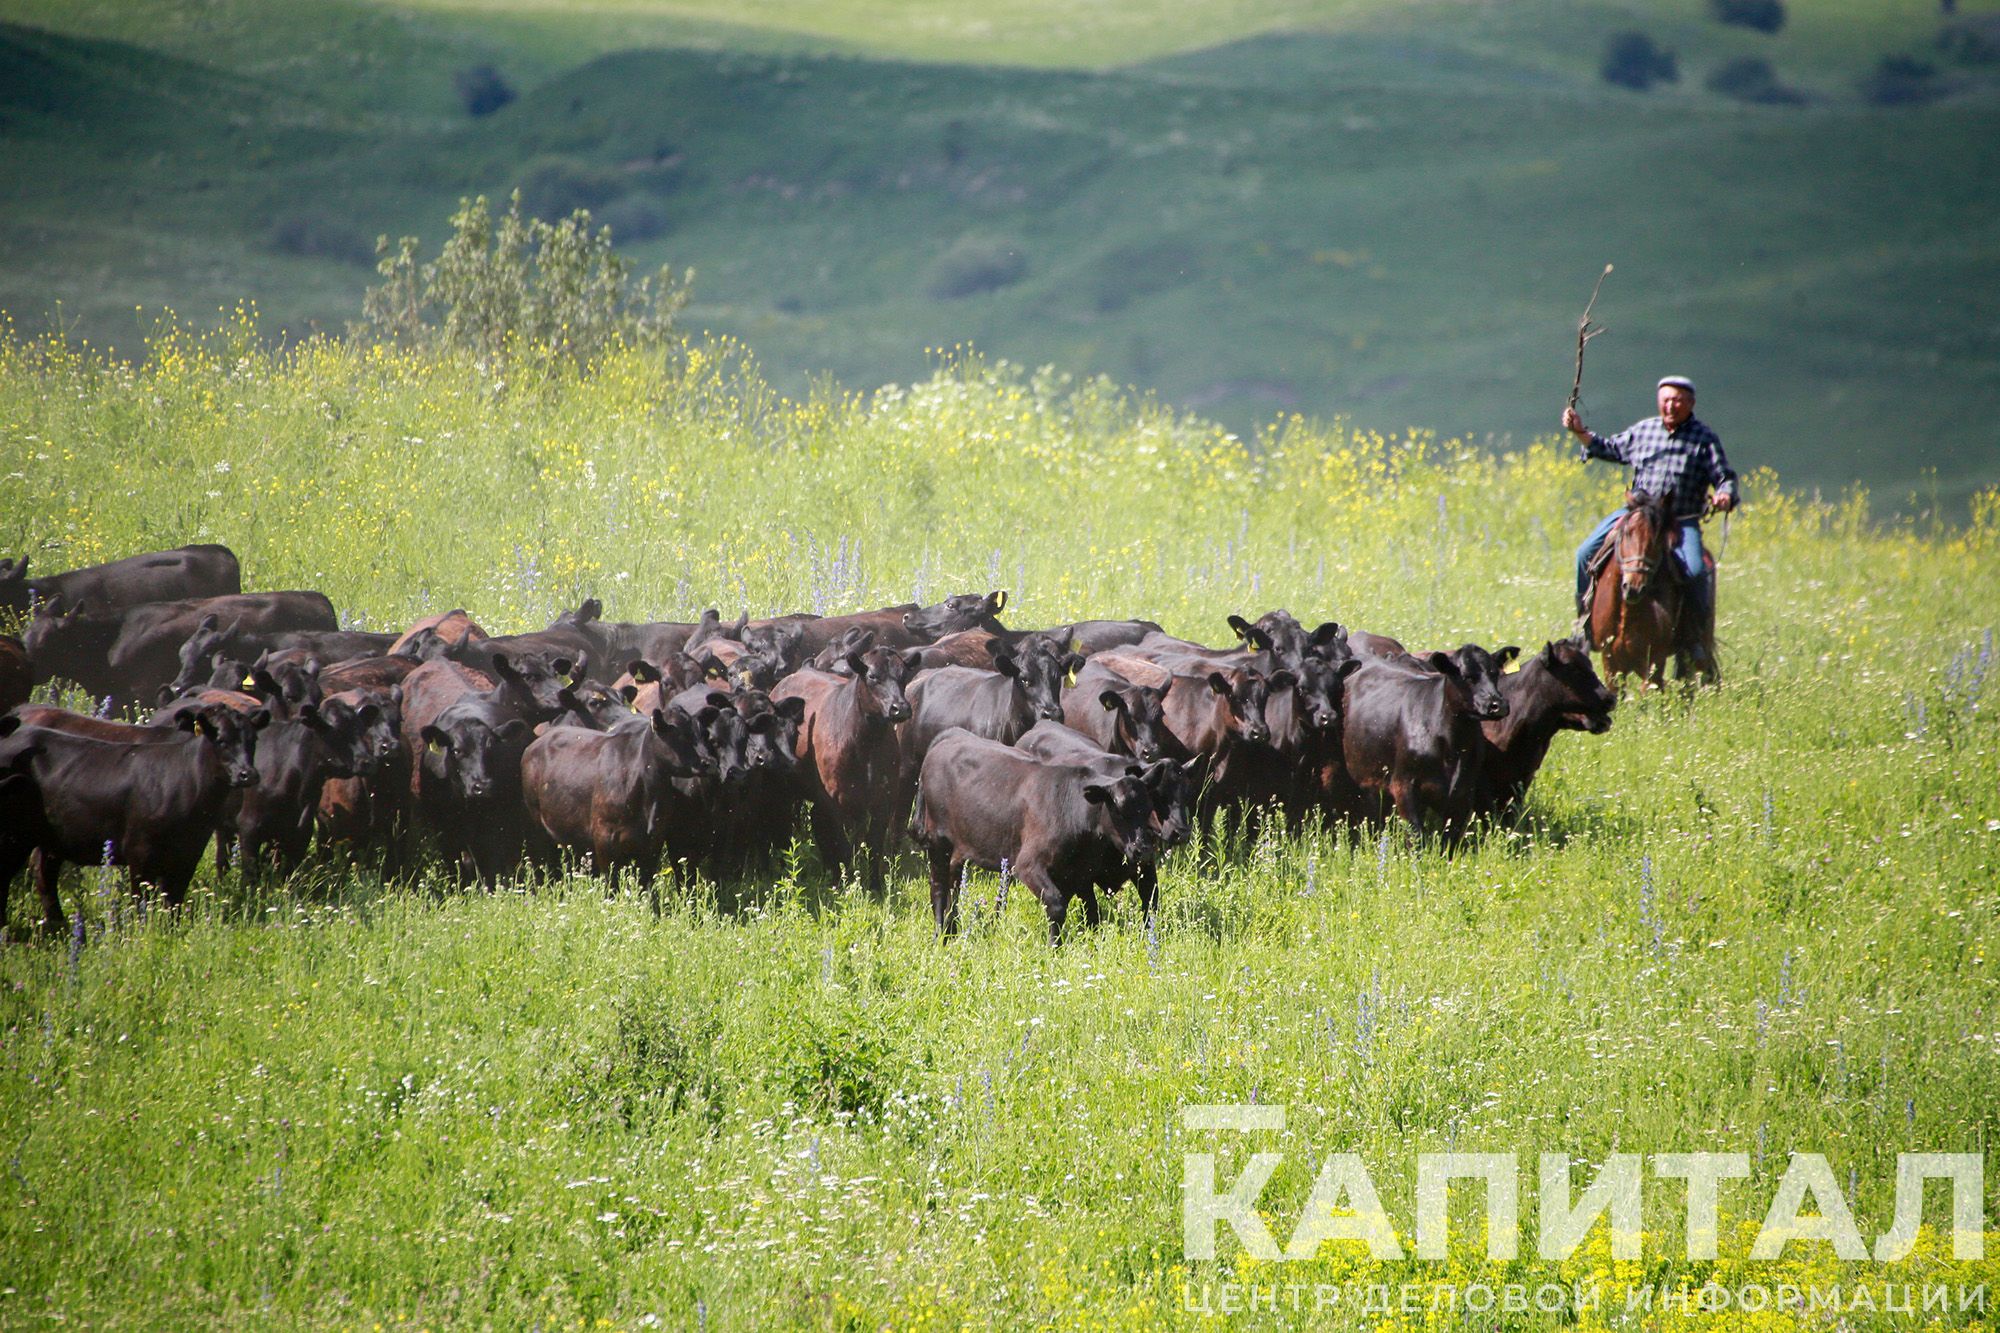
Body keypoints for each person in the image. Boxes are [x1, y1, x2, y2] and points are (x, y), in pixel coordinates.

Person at [1563, 376, 1739, 672]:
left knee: (1696, 572)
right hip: (1637, 516)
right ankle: (1584, 625)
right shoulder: (1644, 431)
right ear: (1659, 401)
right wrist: (1579, 431)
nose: (1671, 405)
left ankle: (1694, 640)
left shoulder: (1704, 438)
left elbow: (1725, 477)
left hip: (1679, 522)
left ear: (1691, 404)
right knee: (1584, 553)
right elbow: (1608, 448)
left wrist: (1724, 494)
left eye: (1678, 400)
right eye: (1666, 399)